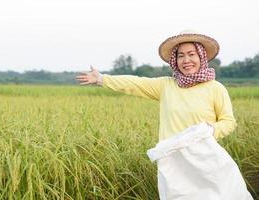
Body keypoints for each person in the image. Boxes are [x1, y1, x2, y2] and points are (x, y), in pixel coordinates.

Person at [76, 30, 253, 199]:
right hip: (173, 163)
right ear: (175, 60)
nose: (186, 60)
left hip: (206, 160)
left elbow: (228, 122)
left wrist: (207, 130)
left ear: (201, 56)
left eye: (192, 54)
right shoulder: (167, 86)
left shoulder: (215, 88)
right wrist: (102, 79)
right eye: (181, 55)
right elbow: (136, 83)